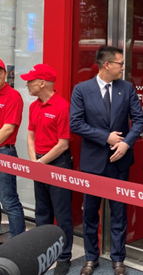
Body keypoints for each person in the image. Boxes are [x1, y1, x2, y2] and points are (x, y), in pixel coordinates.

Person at [70, 46, 143, 275]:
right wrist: (106, 137)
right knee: (89, 213)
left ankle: (118, 258)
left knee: (119, 212)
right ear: (107, 65)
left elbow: (139, 121)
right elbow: (76, 123)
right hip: (93, 164)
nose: (124, 67)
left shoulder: (127, 88)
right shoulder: (81, 90)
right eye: (120, 63)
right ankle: (91, 258)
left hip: (119, 162)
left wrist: (125, 143)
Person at [22, 64, 73, 275]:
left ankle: (64, 257)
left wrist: (40, 164)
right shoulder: (34, 106)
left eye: (30, 81)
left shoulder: (62, 106)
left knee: (62, 214)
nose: (26, 84)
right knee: (42, 212)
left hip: (58, 164)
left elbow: (63, 144)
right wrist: (34, 160)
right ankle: (42, 252)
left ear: (42, 83)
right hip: (39, 163)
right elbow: (30, 136)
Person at [0, 59, 26, 239]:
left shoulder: (13, 96)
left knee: (9, 201)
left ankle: (18, 244)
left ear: (4, 74)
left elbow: (8, 128)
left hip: (5, 152)